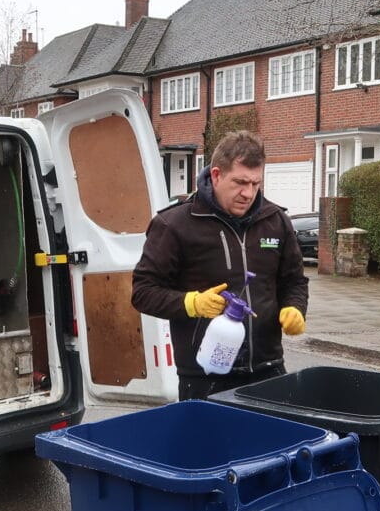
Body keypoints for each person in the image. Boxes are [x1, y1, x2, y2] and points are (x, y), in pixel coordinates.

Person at [132, 131, 309, 400]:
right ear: (216, 175)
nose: (248, 193)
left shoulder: (275, 220)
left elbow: (294, 280)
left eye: (255, 184)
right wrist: (190, 303)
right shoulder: (175, 225)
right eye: (239, 182)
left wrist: (295, 308)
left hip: (267, 369)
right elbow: (143, 292)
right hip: (204, 377)